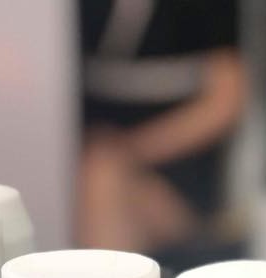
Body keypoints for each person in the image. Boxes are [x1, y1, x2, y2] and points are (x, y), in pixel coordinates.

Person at [77, 0, 247, 254]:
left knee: (101, 177)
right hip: (85, 161)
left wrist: (127, 151)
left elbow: (226, 103)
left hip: (179, 180)